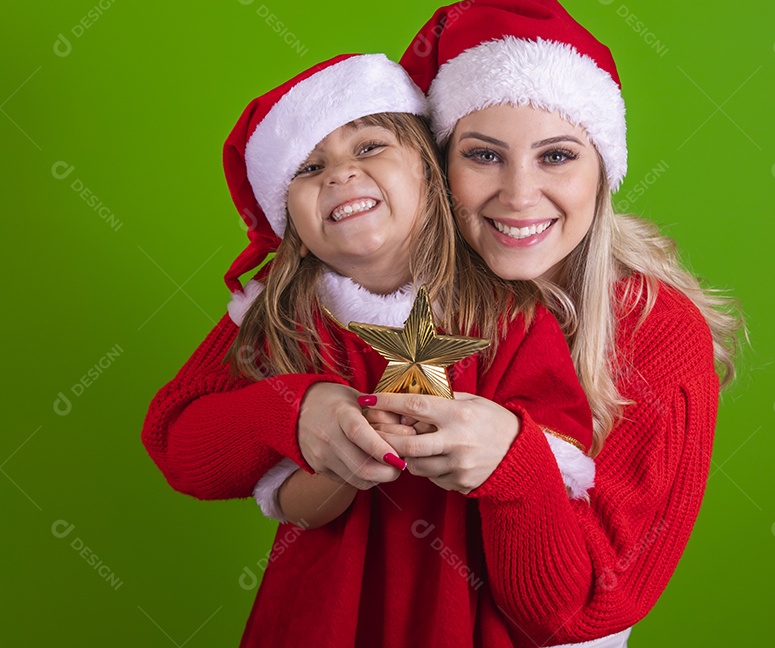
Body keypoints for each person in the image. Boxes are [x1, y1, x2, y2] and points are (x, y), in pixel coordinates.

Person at [141, 52, 595, 647]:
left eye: (369, 147)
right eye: (307, 167)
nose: (339, 175)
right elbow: (180, 445)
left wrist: (505, 455)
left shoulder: (509, 313)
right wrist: (295, 415)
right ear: (291, 230)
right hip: (320, 618)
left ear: (432, 177)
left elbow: (556, 486)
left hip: (462, 618)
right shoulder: (277, 319)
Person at [360, 0, 741, 647]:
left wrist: (516, 465)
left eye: (557, 156)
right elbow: (180, 434)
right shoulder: (377, 280)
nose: (519, 195)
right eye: (483, 155)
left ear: (602, 171)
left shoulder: (656, 332)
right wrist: (300, 413)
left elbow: (580, 613)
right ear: (439, 166)